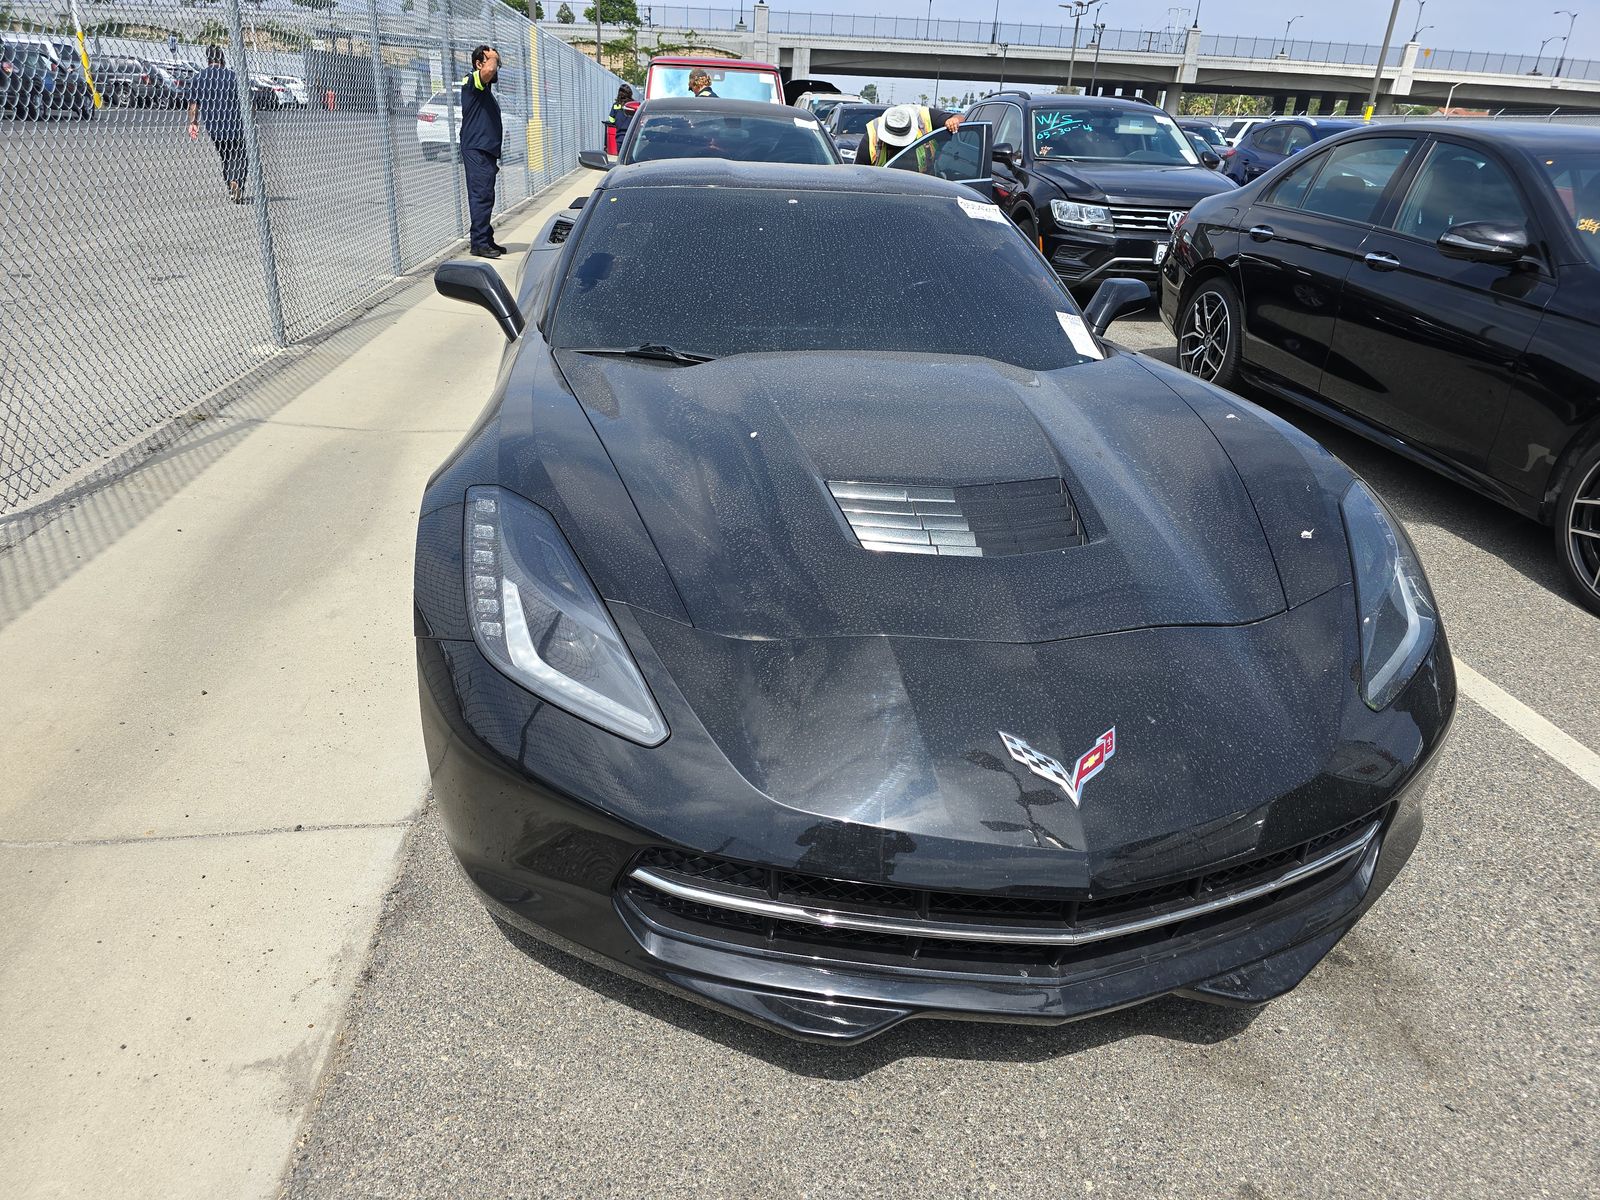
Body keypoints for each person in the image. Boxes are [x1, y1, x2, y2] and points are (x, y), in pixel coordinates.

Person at [460, 44, 506, 259]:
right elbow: (487, 72)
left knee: (486, 195)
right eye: (493, 61)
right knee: (481, 196)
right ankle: (479, 243)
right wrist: (492, 58)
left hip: (484, 150)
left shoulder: (482, 90)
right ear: (479, 64)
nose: (496, 68)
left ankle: (485, 238)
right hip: (477, 149)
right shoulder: (473, 81)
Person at [187, 45, 249, 204]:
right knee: (241, 157)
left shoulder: (198, 78)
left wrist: (193, 122)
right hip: (236, 125)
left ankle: (231, 183)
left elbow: (194, 106)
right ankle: (237, 183)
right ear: (223, 58)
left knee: (226, 157)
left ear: (208, 59)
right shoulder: (233, 77)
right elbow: (248, 103)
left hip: (214, 127)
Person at [854, 103, 965, 169]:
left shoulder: (925, 117)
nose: (896, 147)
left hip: (924, 187)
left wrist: (953, 121)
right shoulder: (871, 137)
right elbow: (858, 175)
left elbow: (960, 119)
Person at [604, 84, 634, 155]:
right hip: (632, 135)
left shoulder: (616, 105)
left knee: (621, 156)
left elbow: (611, 119)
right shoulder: (633, 104)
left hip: (620, 135)